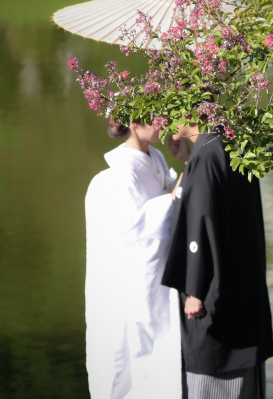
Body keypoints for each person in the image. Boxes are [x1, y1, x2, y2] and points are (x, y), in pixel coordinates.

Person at [162, 123, 273, 399]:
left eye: (166, 110)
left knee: (213, 381)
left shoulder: (206, 154)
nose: (162, 121)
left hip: (215, 302)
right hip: (243, 293)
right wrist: (189, 161)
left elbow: (201, 220)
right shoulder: (234, 141)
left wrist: (195, 290)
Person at [84, 117, 183, 399]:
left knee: (161, 365)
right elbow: (133, 232)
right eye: (156, 116)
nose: (165, 121)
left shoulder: (156, 158)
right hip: (131, 285)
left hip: (159, 282)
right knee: (129, 361)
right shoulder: (117, 176)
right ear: (133, 122)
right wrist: (174, 196)